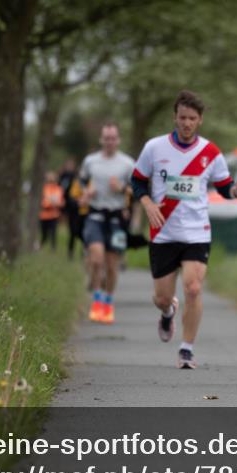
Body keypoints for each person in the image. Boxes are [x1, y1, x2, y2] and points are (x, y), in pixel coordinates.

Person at [131, 90, 237, 369]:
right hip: (163, 231)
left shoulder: (210, 152)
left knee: (194, 288)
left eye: (192, 119)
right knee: (161, 297)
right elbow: (137, 181)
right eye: (182, 117)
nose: (186, 123)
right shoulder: (154, 148)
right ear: (175, 117)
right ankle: (168, 310)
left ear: (199, 121)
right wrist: (147, 202)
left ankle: (186, 349)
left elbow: (225, 188)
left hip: (197, 230)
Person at [80, 123, 136, 325]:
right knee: (96, 259)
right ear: (101, 140)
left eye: (113, 138)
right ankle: (96, 300)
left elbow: (138, 190)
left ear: (118, 140)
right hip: (95, 215)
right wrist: (87, 193)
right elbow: (81, 182)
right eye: (106, 138)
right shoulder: (90, 161)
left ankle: (108, 303)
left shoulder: (128, 163)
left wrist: (122, 188)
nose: (110, 142)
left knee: (112, 266)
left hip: (117, 219)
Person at [58, 159, 86, 260]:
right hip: (73, 210)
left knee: (84, 233)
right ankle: (70, 253)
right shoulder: (72, 181)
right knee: (72, 232)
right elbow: (67, 195)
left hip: (85, 212)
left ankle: (83, 253)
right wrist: (75, 202)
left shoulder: (89, 183)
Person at [39, 171, 65, 250]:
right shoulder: (44, 188)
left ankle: (53, 248)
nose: (51, 179)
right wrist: (49, 204)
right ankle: (41, 246)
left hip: (54, 215)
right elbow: (42, 202)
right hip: (44, 215)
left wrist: (57, 204)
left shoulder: (59, 189)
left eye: (53, 178)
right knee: (44, 234)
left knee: (53, 233)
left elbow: (62, 202)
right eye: (50, 178)